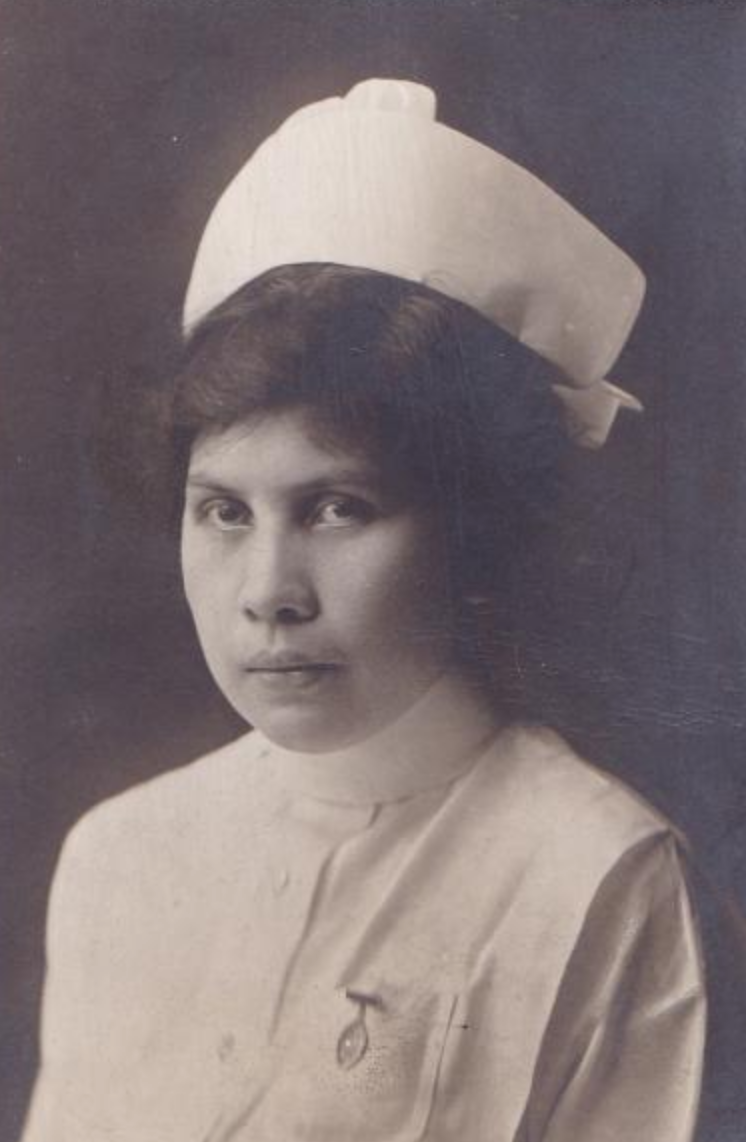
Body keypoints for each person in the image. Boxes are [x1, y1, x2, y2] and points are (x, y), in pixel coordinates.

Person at [21, 79, 705, 1142]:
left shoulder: (593, 871)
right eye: (223, 512)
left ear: (469, 523)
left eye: (337, 507)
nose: (268, 592)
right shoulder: (119, 855)